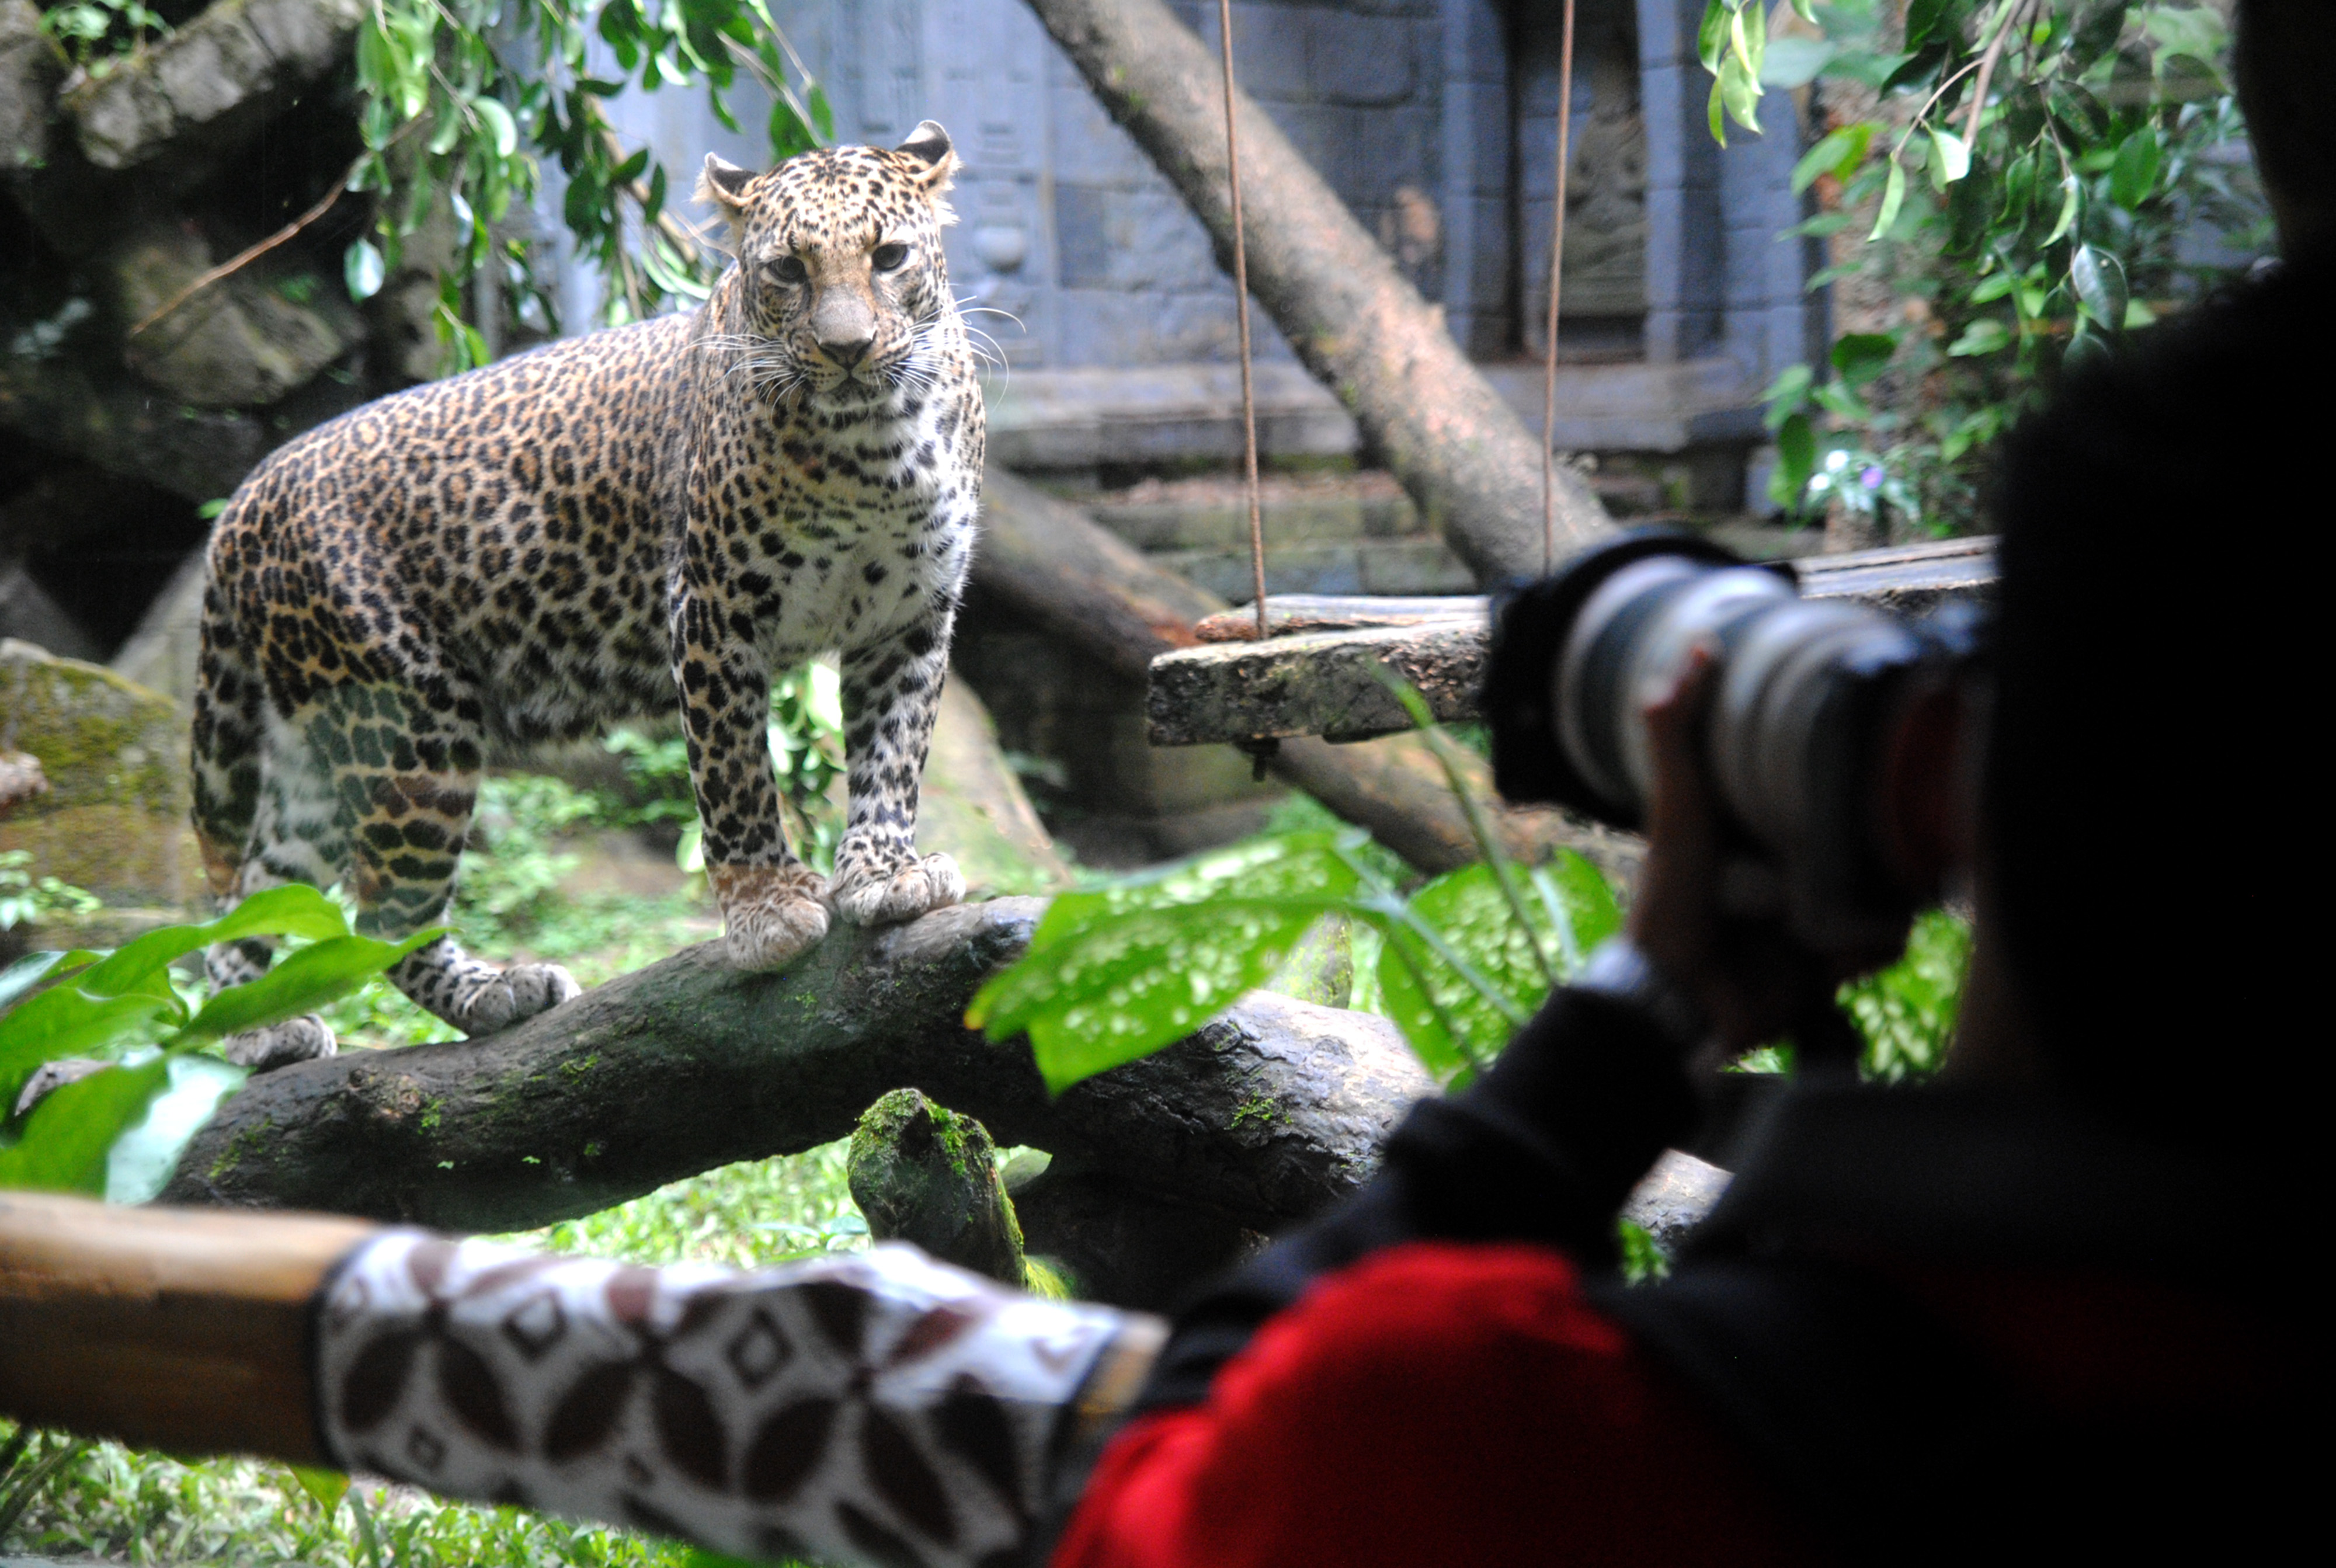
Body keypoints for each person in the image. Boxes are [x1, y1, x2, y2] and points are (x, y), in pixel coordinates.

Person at [2, 4, 2324, 1563]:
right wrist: (756, 861)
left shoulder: (1553, 1428)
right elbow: (742, 637)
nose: (850, 308)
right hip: (377, 537)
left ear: (1935, 790)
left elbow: (1197, 1442)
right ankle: (355, 958)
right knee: (367, 820)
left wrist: (1617, 1038)